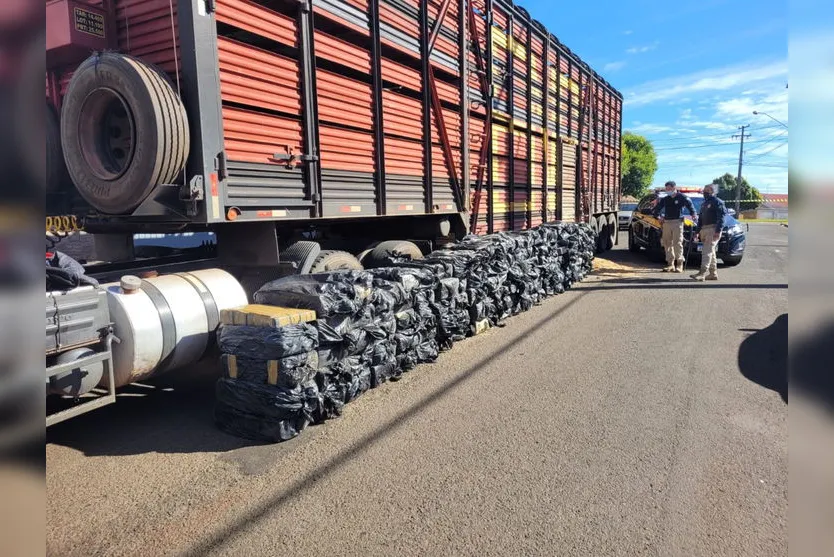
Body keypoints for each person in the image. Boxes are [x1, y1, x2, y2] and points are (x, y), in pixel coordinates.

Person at [652, 180, 696, 272]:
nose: (667, 190)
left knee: (677, 243)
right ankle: (670, 264)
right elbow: (656, 210)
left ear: (674, 188)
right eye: (666, 189)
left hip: (677, 222)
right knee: (667, 243)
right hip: (667, 222)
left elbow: (691, 207)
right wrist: (658, 217)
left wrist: (693, 214)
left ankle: (679, 264)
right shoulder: (665, 199)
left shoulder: (682, 197)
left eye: (669, 189)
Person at [691, 183, 727, 281]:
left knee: (706, 251)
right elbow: (700, 219)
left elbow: (722, 217)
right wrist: (697, 232)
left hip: (713, 229)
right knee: (711, 252)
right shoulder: (704, 203)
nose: (704, 192)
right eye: (704, 190)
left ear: (712, 191)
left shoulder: (717, 202)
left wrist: (718, 231)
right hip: (704, 229)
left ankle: (702, 273)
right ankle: (713, 274)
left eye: (706, 190)